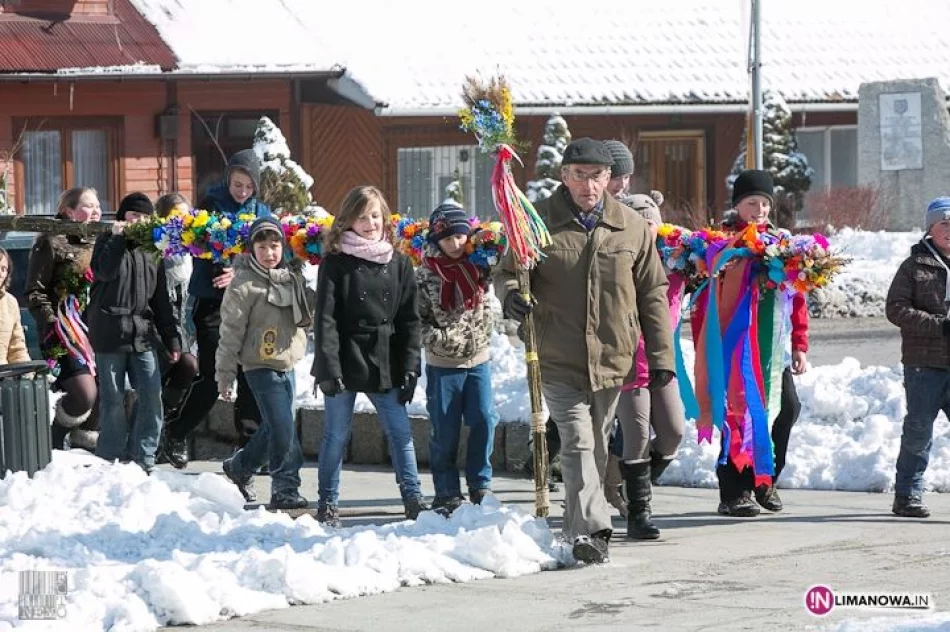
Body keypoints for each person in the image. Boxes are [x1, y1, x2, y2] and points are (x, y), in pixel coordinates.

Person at [496, 138, 675, 564]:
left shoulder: (630, 226)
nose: (588, 186)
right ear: (564, 176)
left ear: (609, 179)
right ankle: (593, 532)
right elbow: (506, 272)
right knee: (576, 442)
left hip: (612, 358)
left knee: (594, 445)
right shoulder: (536, 222)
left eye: (596, 177)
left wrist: (663, 357)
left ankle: (578, 525)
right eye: (579, 176)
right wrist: (510, 297)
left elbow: (653, 292)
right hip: (557, 355)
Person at [312, 185, 427, 528]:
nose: (370, 223)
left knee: (400, 431)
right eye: (362, 217)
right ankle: (328, 502)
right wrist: (329, 369)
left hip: (385, 358)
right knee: (336, 434)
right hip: (345, 357)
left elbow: (411, 319)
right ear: (347, 220)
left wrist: (410, 368)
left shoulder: (399, 262)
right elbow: (326, 319)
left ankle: (413, 497)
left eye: (375, 215)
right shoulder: (335, 263)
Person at [696, 169, 808, 517]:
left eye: (764, 203)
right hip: (734, 345)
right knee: (738, 414)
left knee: (785, 408)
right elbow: (707, 297)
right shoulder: (721, 244)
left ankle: (766, 479)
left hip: (772, 348)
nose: (759, 209)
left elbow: (798, 299)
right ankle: (733, 491)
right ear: (737, 205)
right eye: (751, 202)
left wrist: (799, 344)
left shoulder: (784, 246)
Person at [161, 150, 271, 468]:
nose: (242, 192)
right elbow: (205, 244)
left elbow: (272, 253)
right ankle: (176, 432)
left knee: (250, 374)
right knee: (212, 376)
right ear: (228, 179)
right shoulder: (210, 205)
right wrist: (222, 267)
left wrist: (241, 270)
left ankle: (247, 449)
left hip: (251, 304)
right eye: (237, 184)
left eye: (249, 186)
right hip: (213, 303)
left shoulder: (262, 211)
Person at [218, 217, 311, 509]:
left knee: (276, 426)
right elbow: (230, 332)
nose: (269, 253)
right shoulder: (243, 285)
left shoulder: (291, 277)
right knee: (283, 428)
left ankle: (241, 466)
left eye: (275, 246)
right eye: (262, 247)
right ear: (251, 250)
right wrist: (225, 374)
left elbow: (310, 310)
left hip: (287, 362)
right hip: (259, 365)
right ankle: (285, 487)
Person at [88, 193, 181, 473]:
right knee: (113, 397)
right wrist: (117, 238)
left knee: (151, 392)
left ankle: (144, 454)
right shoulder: (106, 240)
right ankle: (111, 455)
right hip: (109, 330)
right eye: (132, 215)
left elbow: (162, 300)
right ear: (122, 217)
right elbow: (103, 272)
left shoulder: (153, 248)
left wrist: (172, 338)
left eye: (143, 217)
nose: (137, 221)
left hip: (142, 332)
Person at [614, 193, 686, 540]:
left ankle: (624, 481)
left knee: (673, 432)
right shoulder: (618, 260)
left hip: (661, 359)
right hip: (627, 362)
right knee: (638, 435)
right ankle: (639, 512)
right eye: (637, 218)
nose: (645, 225)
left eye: (650, 218)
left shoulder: (678, 261)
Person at [417, 201, 496, 514]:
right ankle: (447, 491)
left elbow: (492, 295)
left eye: (460, 237)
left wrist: (491, 323)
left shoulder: (479, 266)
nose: (455, 244)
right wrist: (438, 339)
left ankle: (480, 484)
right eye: (448, 239)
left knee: (485, 420)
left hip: (478, 359)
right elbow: (415, 320)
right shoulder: (425, 276)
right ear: (437, 241)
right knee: (445, 428)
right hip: (443, 364)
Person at [884, 197, 950, 519]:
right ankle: (907, 495)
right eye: (944, 224)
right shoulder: (914, 265)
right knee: (919, 430)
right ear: (931, 228)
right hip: (924, 365)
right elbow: (895, 309)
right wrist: (940, 326)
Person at [26, 187, 101, 450]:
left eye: (97, 205)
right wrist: (52, 323)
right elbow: (34, 291)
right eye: (89, 206)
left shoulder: (100, 242)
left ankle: (82, 445)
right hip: (60, 332)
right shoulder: (51, 241)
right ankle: (54, 435)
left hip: (94, 330)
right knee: (84, 394)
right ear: (69, 210)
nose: (96, 211)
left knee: (102, 393)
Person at [152, 193, 199, 419]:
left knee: (190, 368)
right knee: (165, 372)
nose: (181, 222)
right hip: (161, 325)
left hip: (187, 325)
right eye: (175, 216)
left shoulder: (194, 249)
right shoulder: (156, 249)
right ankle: (154, 422)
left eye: (185, 215)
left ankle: (166, 421)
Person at [0, 247, 31, 364]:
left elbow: (17, 348)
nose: (0, 273)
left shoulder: (10, 302)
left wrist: (27, 376)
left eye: (3, 269)